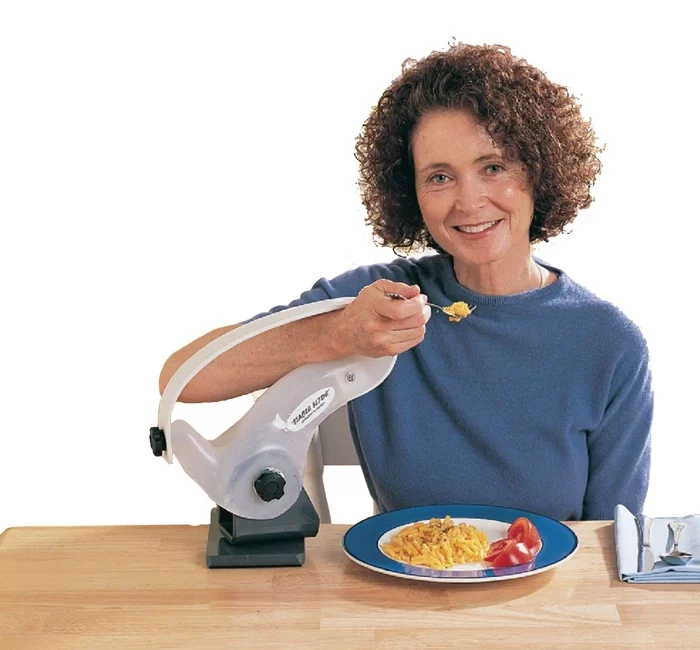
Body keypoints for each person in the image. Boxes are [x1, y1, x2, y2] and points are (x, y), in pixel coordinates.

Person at [159, 43, 652, 521]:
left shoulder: (609, 345)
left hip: (545, 600)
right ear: (410, 192)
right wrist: (336, 333)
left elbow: (612, 546)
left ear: (539, 172)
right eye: (439, 177)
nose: (469, 201)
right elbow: (183, 378)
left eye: (494, 167)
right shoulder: (375, 303)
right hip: (400, 593)